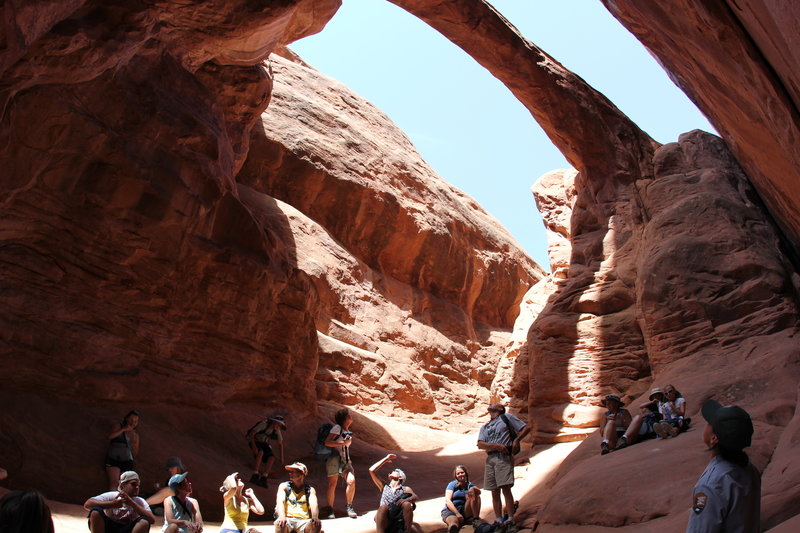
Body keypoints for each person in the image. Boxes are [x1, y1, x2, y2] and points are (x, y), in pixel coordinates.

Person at [687, 399, 760, 532]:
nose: (706, 425)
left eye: (709, 423)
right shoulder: (750, 470)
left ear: (714, 438)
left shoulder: (710, 485)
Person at [476, 402, 530, 525]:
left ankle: (510, 518)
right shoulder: (485, 426)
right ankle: (499, 518)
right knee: (494, 490)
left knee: (505, 487)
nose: (490, 407)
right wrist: (494, 445)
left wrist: (517, 440)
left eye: (494, 406)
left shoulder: (507, 418)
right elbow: (480, 444)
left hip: (503, 456)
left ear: (500, 409)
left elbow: (526, 427)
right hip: (490, 458)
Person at [85, 470, 155, 533]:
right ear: (123, 485)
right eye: (133, 484)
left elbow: (152, 520)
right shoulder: (112, 495)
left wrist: (132, 503)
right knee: (95, 511)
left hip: (127, 529)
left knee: (144, 521)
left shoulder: (140, 501)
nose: (136, 487)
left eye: (138, 485)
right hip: (110, 528)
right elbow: (87, 504)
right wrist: (112, 504)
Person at [368, 454, 421, 533]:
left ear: (400, 477)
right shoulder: (384, 486)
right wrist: (386, 459)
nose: (392, 471)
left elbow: (415, 497)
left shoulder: (405, 489)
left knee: (406, 504)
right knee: (383, 507)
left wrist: (407, 499)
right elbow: (371, 470)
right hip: (384, 517)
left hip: (397, 517)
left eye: (395, 472)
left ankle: (407, 531)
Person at [324, 408, 357, 518]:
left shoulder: (347, 430)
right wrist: (343, 442)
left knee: (351, 481)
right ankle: (330, 509)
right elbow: (327, 442)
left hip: (346, 460)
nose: (351, 417)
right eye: (349, 415)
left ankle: (349, 506)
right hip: (334, 459)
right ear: (345, 418)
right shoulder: (337, 428)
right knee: (332, 484)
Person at [273, 462, 321, 533]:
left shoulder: (309, 490)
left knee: (316, 524)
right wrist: (282, 516)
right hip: (287, 519)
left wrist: (315, 517)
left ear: (301, 474)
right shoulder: (284, 487)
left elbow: (314, 505)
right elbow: (280, 502)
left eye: (293, 472)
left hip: (304, 521)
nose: (290, 474)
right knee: (280, 524)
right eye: (290, 472)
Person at [105, 410, 141, 490]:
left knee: (122, 483)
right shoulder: (119, 426)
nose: (133, 423)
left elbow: (135, 453)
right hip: (113, 458)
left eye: (135, 421)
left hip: (126, 460)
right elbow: (110, 436)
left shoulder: (135, 435)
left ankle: (120, 501)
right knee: (114, 482)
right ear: (126, 419)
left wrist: (133, 441)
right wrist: (123, 429)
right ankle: (112, 501)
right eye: (131, 420)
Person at [246, 415, 286, 488]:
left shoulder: (276, 430)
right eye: (278, 423)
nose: (279, 426)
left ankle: (264, 477)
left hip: (264, 443)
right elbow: (252, 433)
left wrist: (281, 457)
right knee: (260, 452)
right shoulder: (263, 425)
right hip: (256, 441)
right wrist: (254, 446)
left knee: (271, 457)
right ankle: (255, 474)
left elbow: (280, 444)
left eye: (280, 424)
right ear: (273, 422)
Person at [441, 465, 481, 533]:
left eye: (462, 472)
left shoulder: (469, 485)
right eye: (458, 473)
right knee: (454, 523)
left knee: (475, 495)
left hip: (464, 510)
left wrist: (473, 488)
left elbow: (479, 492)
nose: (460, 475)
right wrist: (457, 513)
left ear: (466, 473)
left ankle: (475, 519)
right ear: (456, 476)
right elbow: (447, 500)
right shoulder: (452, 484)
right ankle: (452, 530)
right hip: (452, 510)